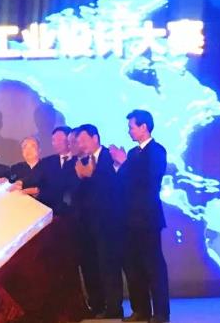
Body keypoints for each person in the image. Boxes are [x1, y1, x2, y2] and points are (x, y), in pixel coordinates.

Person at [111, 110, 170, 323]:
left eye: (132, 127)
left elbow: (149, 180)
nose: (129, 131)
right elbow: (123, 181)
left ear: (144, 127)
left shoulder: (157, 151)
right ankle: (141, 310)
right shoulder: (133, 153)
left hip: (147, 219)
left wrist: (124, 162)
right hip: (128, 219)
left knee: (153, 266)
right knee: (133, 266)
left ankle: (161, 313)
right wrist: (120, 165)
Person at [74, 124, 125, 319]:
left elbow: (117, 184)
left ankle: (114, 307)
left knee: (108, 265)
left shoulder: (110, 156)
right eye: (78, 141)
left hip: (108, 222)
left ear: (95, 138)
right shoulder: (81, 161)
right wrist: (80, 176)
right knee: (91, 266)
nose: (81, 144)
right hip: (86, 224)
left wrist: (93, 174)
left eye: (84, 140)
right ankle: (96, 305)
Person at [12, 127, 77, 214]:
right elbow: (34, 177)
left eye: (60, 139)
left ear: (70, 139)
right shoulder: (48, 161)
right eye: (54, 140)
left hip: (74, 210)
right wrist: (21, 182)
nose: (56, 143)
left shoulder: (79, 160)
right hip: (50, 211)